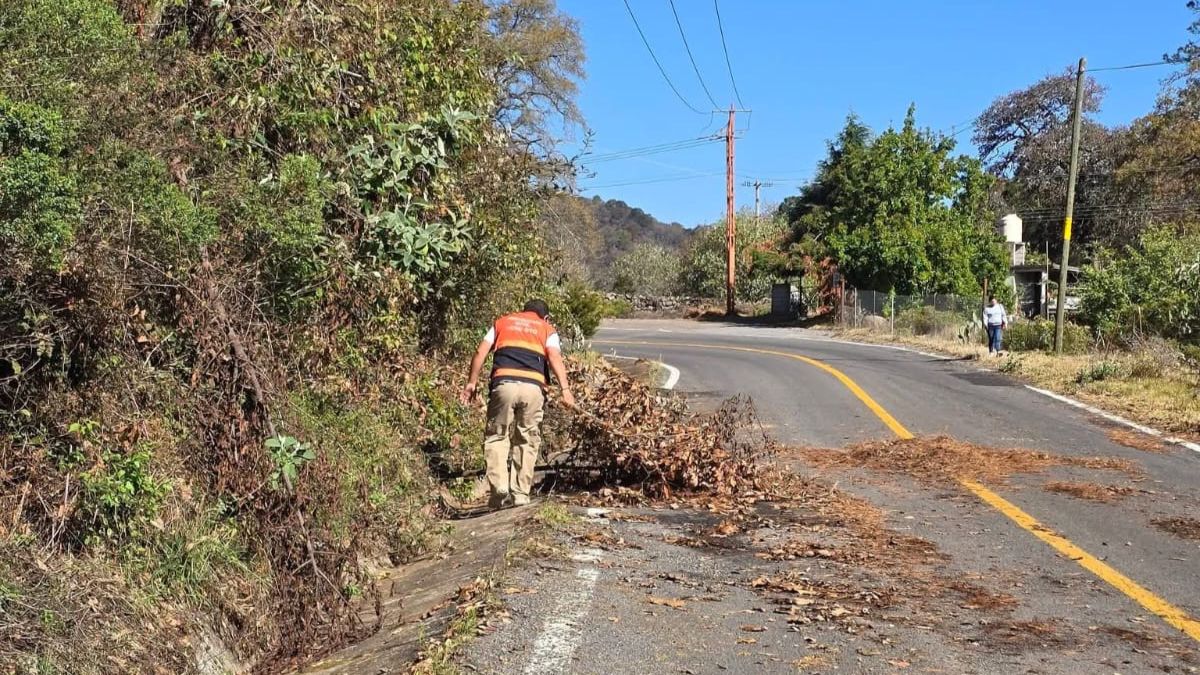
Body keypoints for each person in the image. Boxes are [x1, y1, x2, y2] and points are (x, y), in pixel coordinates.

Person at [460, 300, 575, 508]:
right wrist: (565, 390)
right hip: (533, 389)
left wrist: (471, 382)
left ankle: (499, 487)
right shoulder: (547, 329)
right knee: (527, 439)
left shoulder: (503, 322)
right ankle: (520, 493)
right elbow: (554, 357)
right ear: (545, 317)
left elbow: (480, 352)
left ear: (523, 311)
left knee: (497, 436)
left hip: (504, 384)